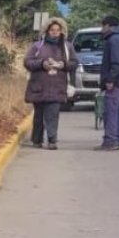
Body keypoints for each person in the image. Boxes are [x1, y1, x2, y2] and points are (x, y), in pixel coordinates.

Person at [23, 18, 79, 150]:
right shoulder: (38, 46)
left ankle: (52, 139)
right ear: (47, 31)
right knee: (39, 115)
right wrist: (42, 64)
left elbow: (74, 63)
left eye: (58, 30)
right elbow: (27, 62)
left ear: (62, 31)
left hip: (57, 86)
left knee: (53, 114)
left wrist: (62, 65)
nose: (55, 33)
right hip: (39, 86)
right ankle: (37, 139)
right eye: (52, 30)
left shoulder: (67, 47)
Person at [96, 15, 119, 151]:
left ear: (108, 26)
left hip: (116, 82)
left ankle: (111, 141)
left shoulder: (114, 40)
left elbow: (117, 63)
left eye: (102, 26)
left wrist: (110, 80)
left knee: (110, 111)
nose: (101, 29)